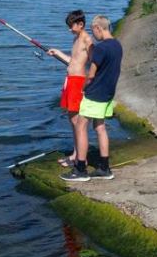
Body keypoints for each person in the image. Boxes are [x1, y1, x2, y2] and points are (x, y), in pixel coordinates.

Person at [70, 15, 122, 181]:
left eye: (94, 31)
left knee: (80, 125)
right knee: (100, 127)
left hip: (95, 93)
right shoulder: (117, 45)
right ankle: (104, 168)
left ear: (99, 28)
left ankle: (80, 170)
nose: (93, 35)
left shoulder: (101, 48)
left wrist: (83, 87)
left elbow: (91, 75)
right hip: (108, 93)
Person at [47, 10, 91, 179]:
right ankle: (75, 154)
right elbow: (73, 62)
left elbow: (93, 62)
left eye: (71, 26)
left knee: (77, 121)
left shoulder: (87, 40)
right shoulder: (76, 39)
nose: (69, 30)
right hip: (69, 80)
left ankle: (82, 159)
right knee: (71, 119)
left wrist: (89, 83)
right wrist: (57, 53)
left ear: (80, 24)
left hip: (78, 83)